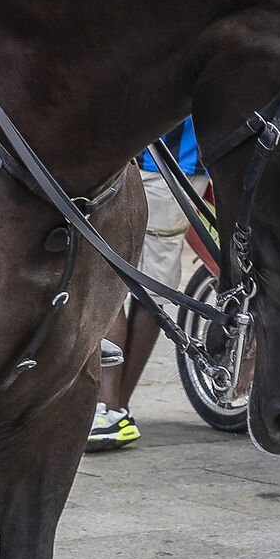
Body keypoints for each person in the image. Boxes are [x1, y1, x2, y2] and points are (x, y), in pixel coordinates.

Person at [89, 124, 203, 451]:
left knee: (107, 274)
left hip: (144, 159)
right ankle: (116, 410)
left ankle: (104, 409)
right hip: (190, 168)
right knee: (152, 291)